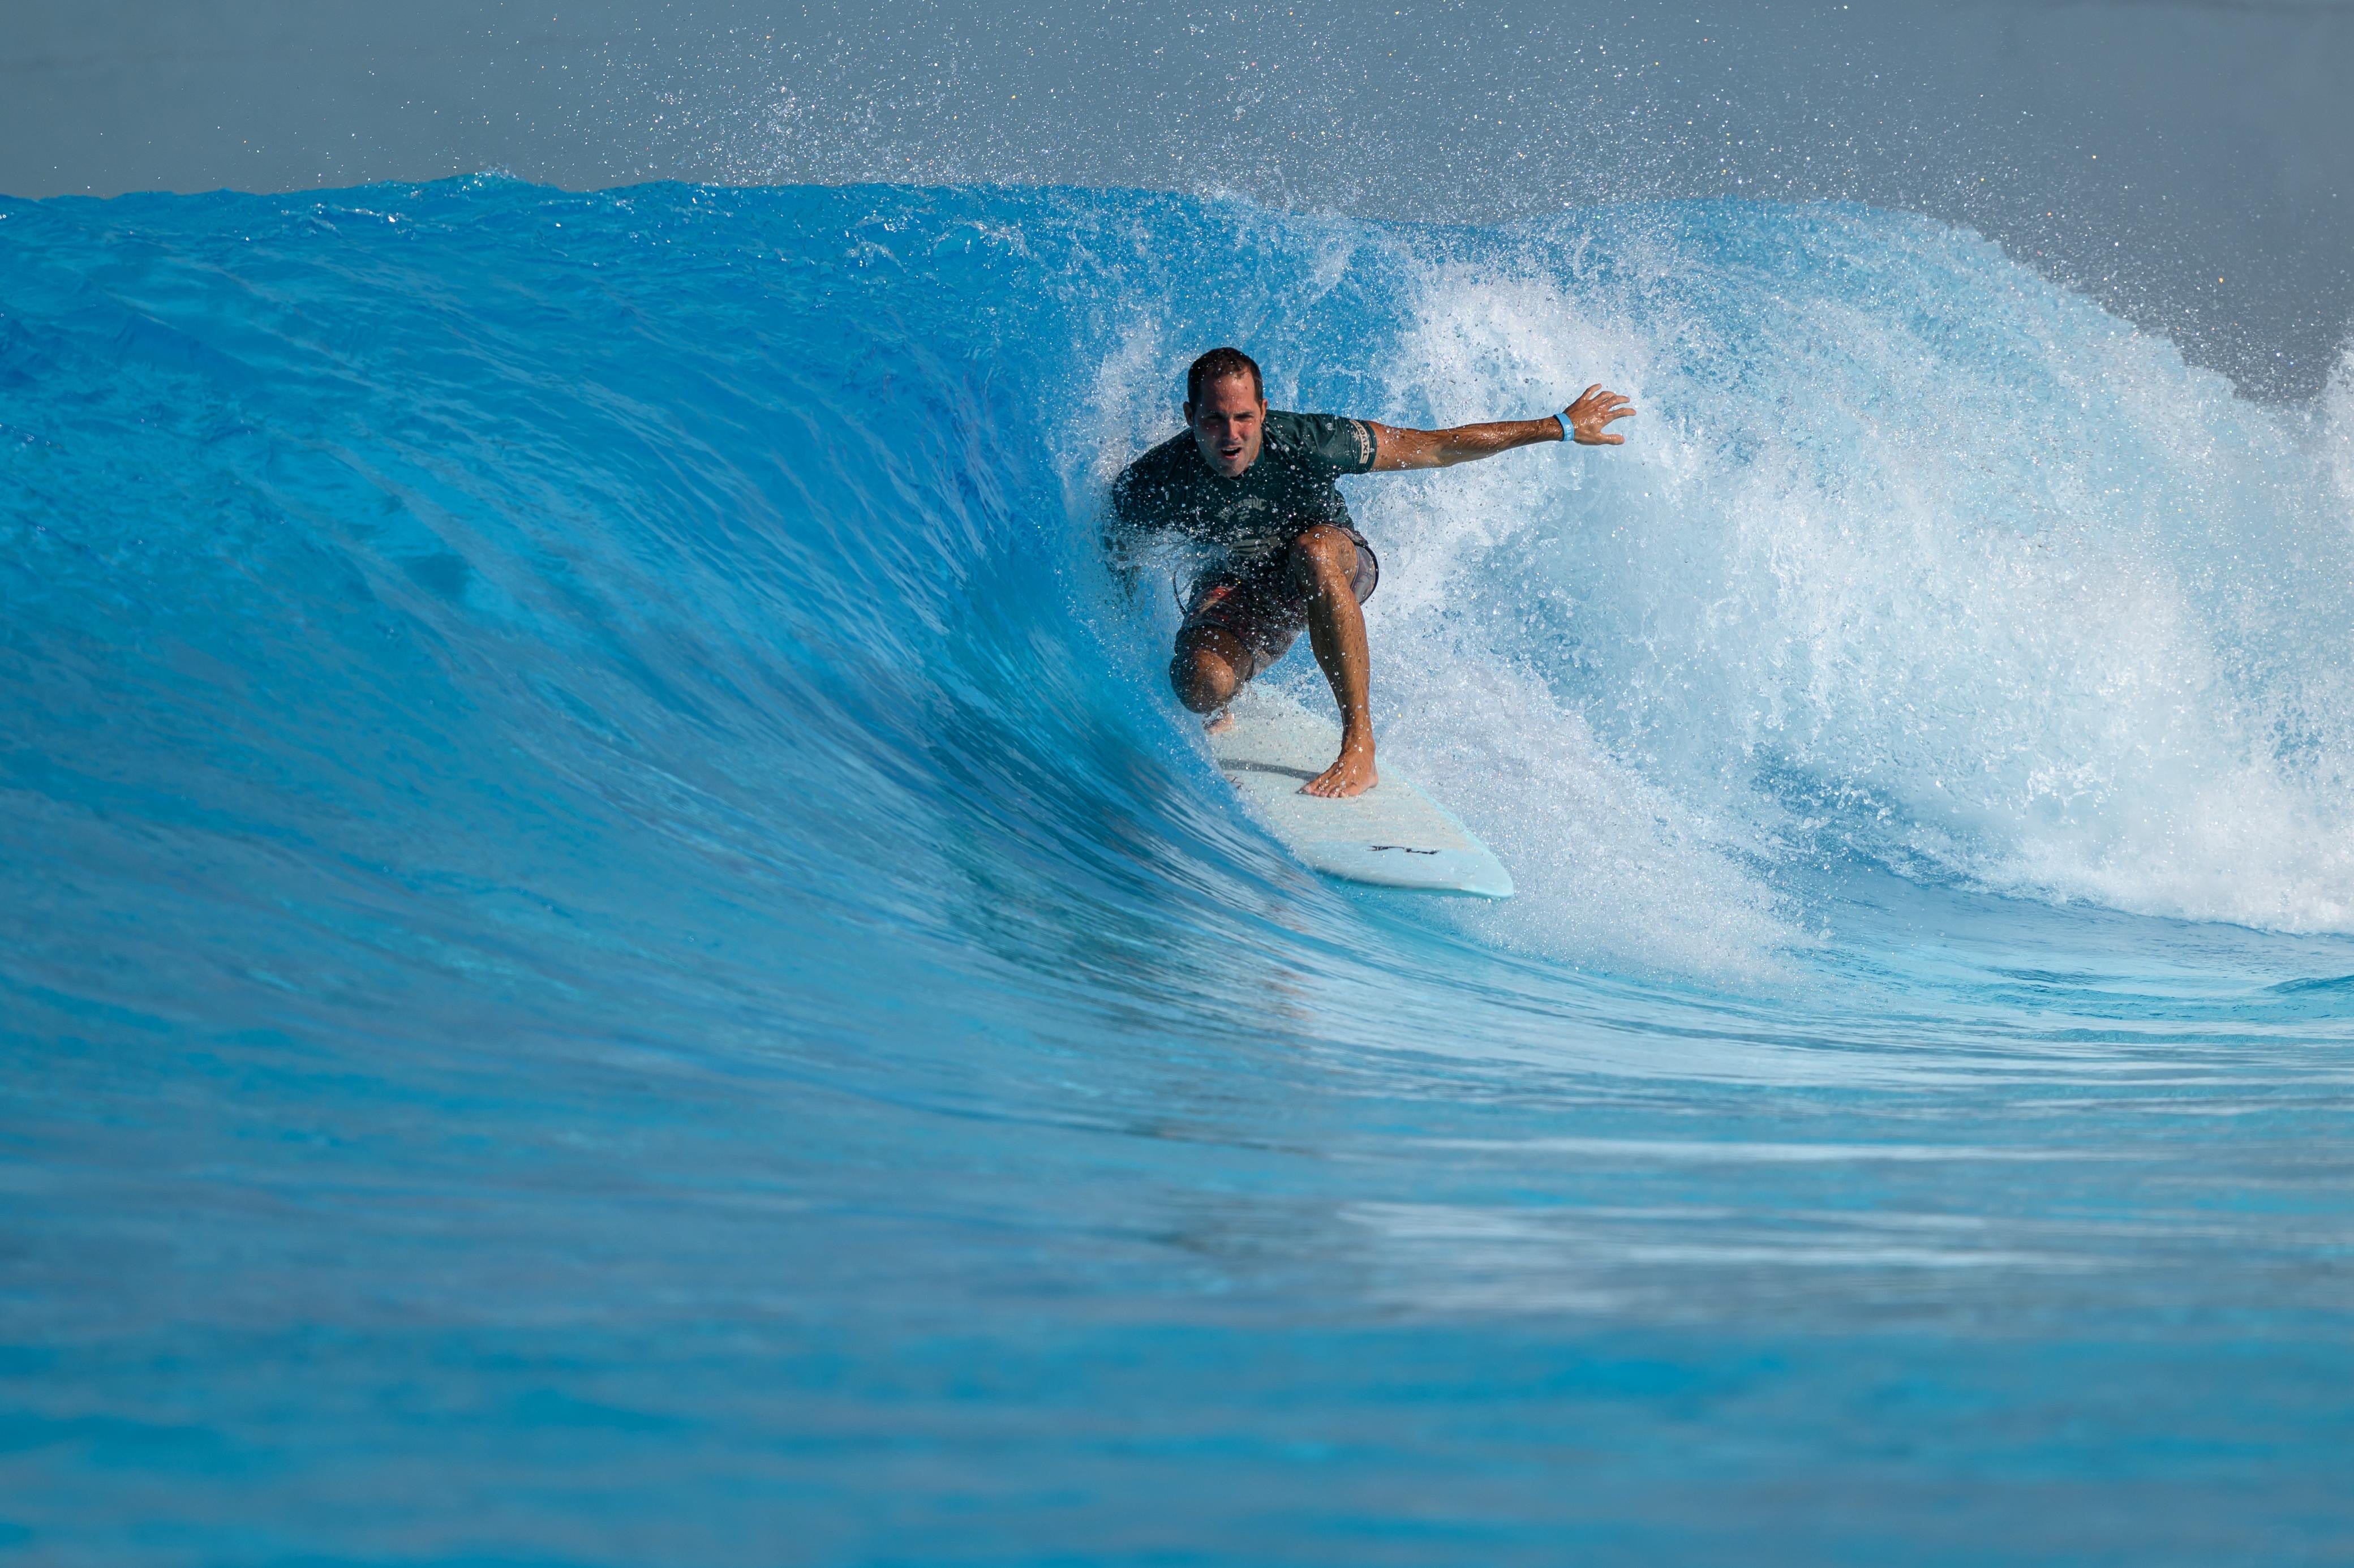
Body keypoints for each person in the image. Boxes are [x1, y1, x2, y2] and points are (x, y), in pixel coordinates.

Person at [1107, 346, 1635, 798]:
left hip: (1332, 560)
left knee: (1312, 550)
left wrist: (1559, 426)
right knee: (1198, 686)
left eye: (1244, 417)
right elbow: (1117, 548)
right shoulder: (1157, 479)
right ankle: (1230, 690)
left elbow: (1436, 446)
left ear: (1264, 411)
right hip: (1247, 584)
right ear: (1188, 416)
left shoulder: (1310, 440)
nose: (1231, 434)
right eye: (1213, 420)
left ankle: (1360, 745)